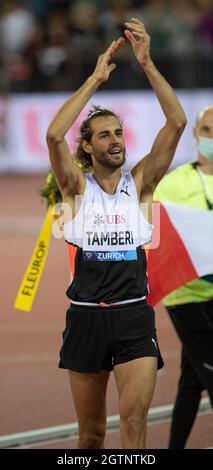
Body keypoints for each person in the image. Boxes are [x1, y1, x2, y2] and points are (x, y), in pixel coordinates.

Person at [46, 18, 186, 449]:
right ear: (86, 147)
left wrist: (146, 62)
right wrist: (95, 78)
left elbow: (176, 121)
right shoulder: (75, 188)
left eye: (119, 132)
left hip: (132, 317)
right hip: (85, 316)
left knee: (134, 427)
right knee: (90, 437)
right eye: (104, 135)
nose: (116, 140)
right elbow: (54, 134)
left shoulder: (140, 184)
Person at [154, 106, 213, 449]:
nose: (211, 137)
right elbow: (155, 234)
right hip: (185, 294)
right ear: (195, 134)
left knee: (192, 379)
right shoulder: (174, 184)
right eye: (206, 130)